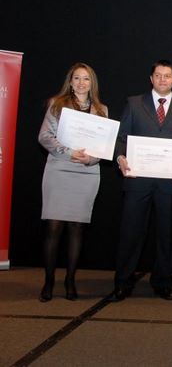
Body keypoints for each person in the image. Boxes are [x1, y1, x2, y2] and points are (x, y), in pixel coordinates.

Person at [111, 59, 172, 301]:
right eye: (158, 75)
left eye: (167, 76)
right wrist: (120, 157)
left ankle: (162, 282)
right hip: (137, 179)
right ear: (151, 79)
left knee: (166, 236)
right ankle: (123, 282)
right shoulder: (134, 103)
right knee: (130, 233)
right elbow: (121, 138)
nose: (162, 79)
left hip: (170, 183)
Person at [37, 62, 108, 302]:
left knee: (77, 228)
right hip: (59, 169)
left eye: (86, 79)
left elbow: (104, 145)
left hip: (87, 172)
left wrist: (91, 158)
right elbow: (44, 137)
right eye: (77, 78)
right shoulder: (56, 104)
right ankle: (49, 281)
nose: (81, 83)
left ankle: (70, 280)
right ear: (70, 81)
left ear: (92, 83)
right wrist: (69, 153)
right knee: (53, 228)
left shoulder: (101, 110)